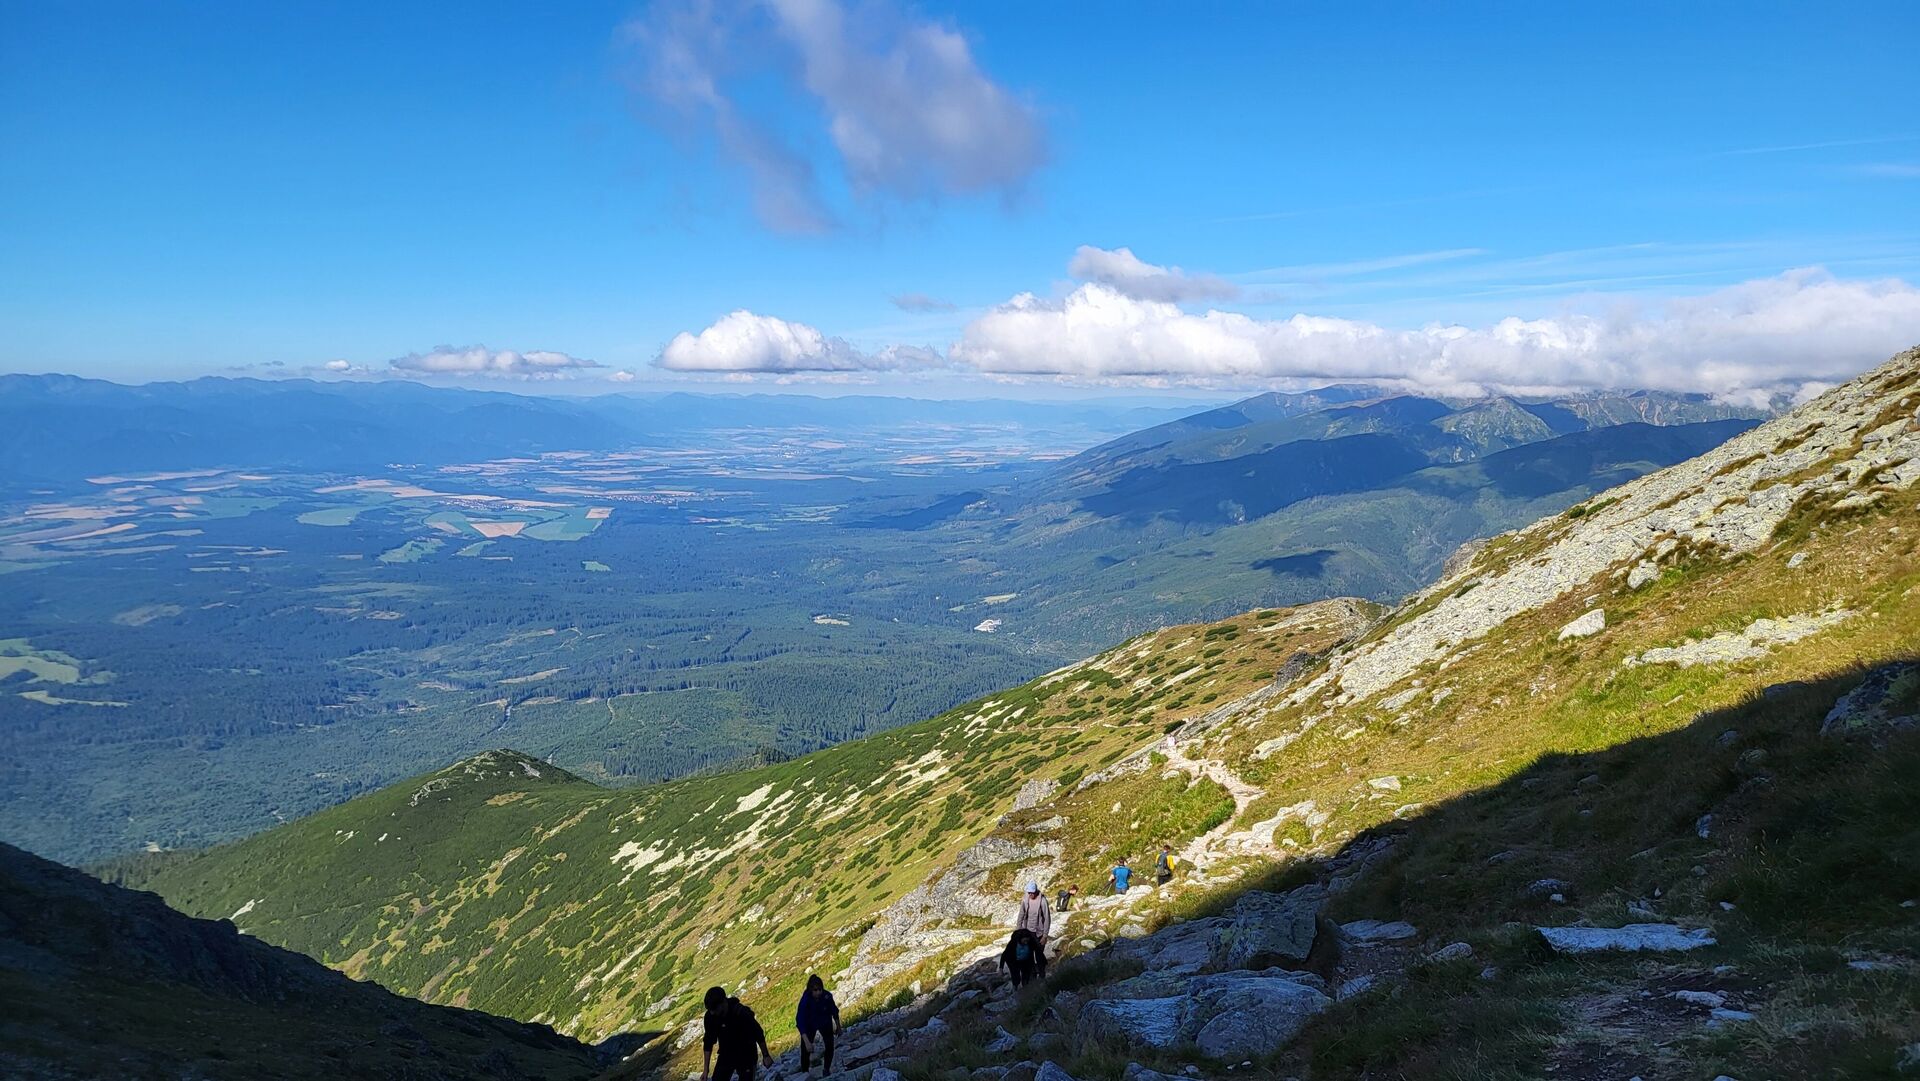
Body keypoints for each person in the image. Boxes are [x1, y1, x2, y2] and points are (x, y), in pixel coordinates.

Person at [700, 986, 773, 1081]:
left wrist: (766, 1055)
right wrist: (706, 1070)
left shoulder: (741, 1012)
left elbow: (758, 1033)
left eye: (714, 1009)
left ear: (723, 1002)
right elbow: (708, 1042)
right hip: (726, 1053)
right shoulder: (710, 1017)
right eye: (710, 1010)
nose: (712, 1012)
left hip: (746, 1053)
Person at [794, 974, 841, 1076]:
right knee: (805, 1051)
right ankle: (805, 1073)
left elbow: (834, 1010)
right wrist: (807, 1041)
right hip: (809, 1025)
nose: (818, 992)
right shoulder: (805, 1001)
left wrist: (838, 1026)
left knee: (829, 1045)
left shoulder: (827, 996)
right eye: (815, 990)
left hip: (825, 1021)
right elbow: (800, 1021)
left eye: (820, 989)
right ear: (810, 990)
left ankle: (826, 1069)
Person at [1015, 881, 1051, 955]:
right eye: (1029, 893)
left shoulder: (1042, 901)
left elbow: (1047, 918)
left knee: (1039, 954)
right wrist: (1018, 929)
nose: (1030, 894)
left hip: (1039, 933)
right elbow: (1021, 914)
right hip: (1027, 931)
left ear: (1036, 891)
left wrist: (1045, 936)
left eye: (1032, 892)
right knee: (1027, 954)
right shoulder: (1025, 899)